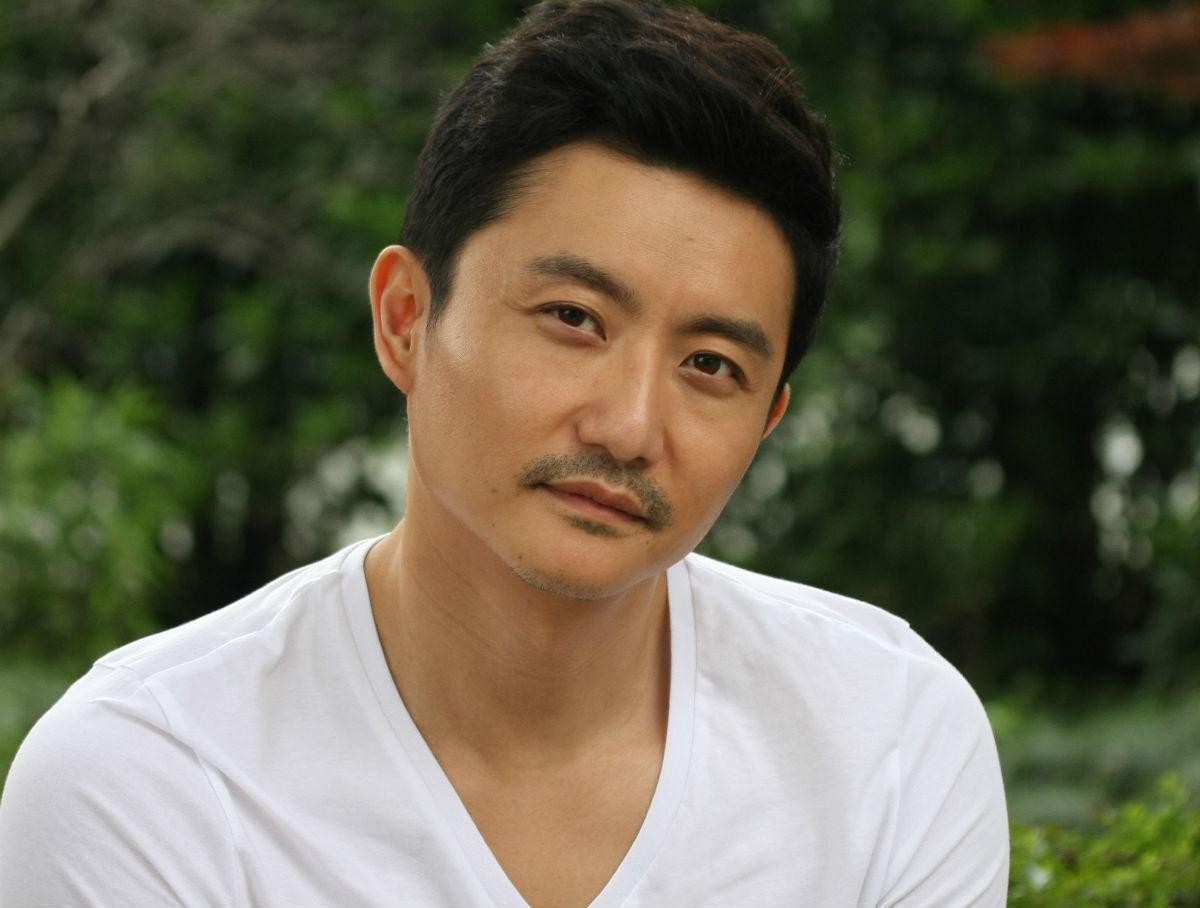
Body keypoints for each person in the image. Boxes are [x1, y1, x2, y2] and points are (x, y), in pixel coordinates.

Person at [0, 1, 1009, 905]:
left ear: (768, 419)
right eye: (573, 317)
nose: (629, 427)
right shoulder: (153, 777)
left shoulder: (887, 742)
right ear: (406, 319)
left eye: (710, 365)